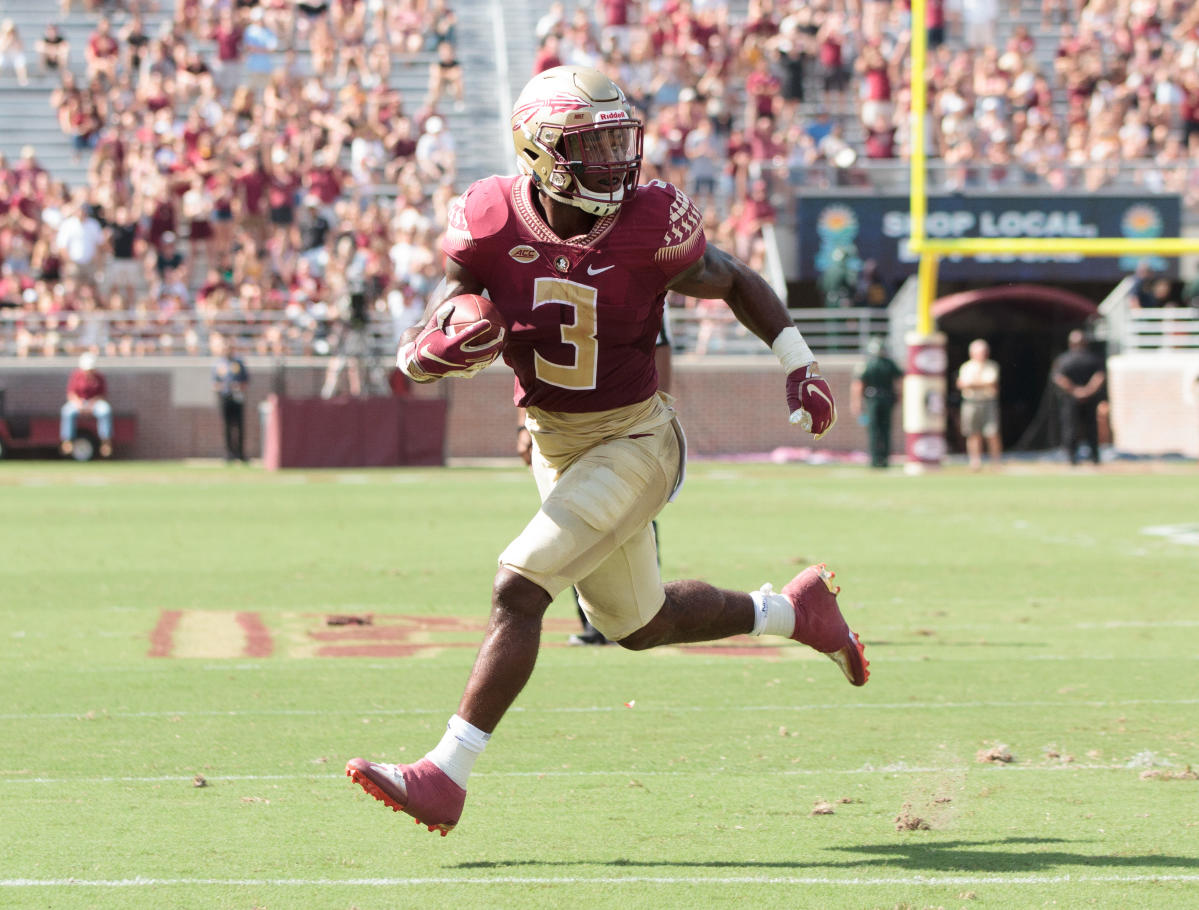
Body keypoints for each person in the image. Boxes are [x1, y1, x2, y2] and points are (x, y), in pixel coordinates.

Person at [346, 66, 868, 837]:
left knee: (518, 590)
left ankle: (444, 774)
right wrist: (431, 347)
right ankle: (793, 612)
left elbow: (732, 279)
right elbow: (450, 311)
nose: (614, 163)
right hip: (555, 445)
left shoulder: (649, 221)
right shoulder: (490, 218)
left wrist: (800, 362)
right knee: (638, 624)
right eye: (591, 148)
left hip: (635, 438)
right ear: (539, 153)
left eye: (619, 142)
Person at [1052, 329, 1106, 466]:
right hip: (1083, 397)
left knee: (1075, 427)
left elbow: (1059, 378)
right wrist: (1086, 390)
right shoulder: (1091, 358)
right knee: (1080, 427)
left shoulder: (1064, 359)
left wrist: (1076, 391)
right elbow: (1099, 377)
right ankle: (1092, 457)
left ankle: (1073, 458)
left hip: (1074, 397)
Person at [850, 337, 903, 468]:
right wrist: (900, 397)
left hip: (872, 400)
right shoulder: (889, 363)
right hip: (887, 399)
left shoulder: (868, 364)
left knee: (874, 430)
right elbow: (900, 381)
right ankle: (884, 459)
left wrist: (856, 403)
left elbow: (859, 385)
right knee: (885, 429)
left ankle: (875, 459)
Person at [956, 338, 1002, 471]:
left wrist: (972, 384)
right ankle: (975, 462)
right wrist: (979, 383)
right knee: (972, 433)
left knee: (992, 432)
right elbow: (962, 384)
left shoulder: (991, 365)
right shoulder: (967, 367)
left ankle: (996, 462)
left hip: (987, 402)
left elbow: (991, 382)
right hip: (971, 403)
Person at [60, 353, 113, 458]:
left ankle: (106, 441)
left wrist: (92, 404)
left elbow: (102, 394)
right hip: (79, 402)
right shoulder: (76, 376)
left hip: (94, 403)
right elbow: (71, 393)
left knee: (105, 410)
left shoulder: (99, 377)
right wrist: (78, 403)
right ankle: (67, 441)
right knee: (66, 411)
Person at [213, 335, 249, 462]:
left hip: (237, 397)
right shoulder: (219, 364)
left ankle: (240, 453)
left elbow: (246, 380)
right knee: (227, 426)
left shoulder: (239, 363)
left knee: (239, 426)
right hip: (225, 397)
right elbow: (215, 383)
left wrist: (238, 387)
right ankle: (229, 453)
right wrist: (224, 387)